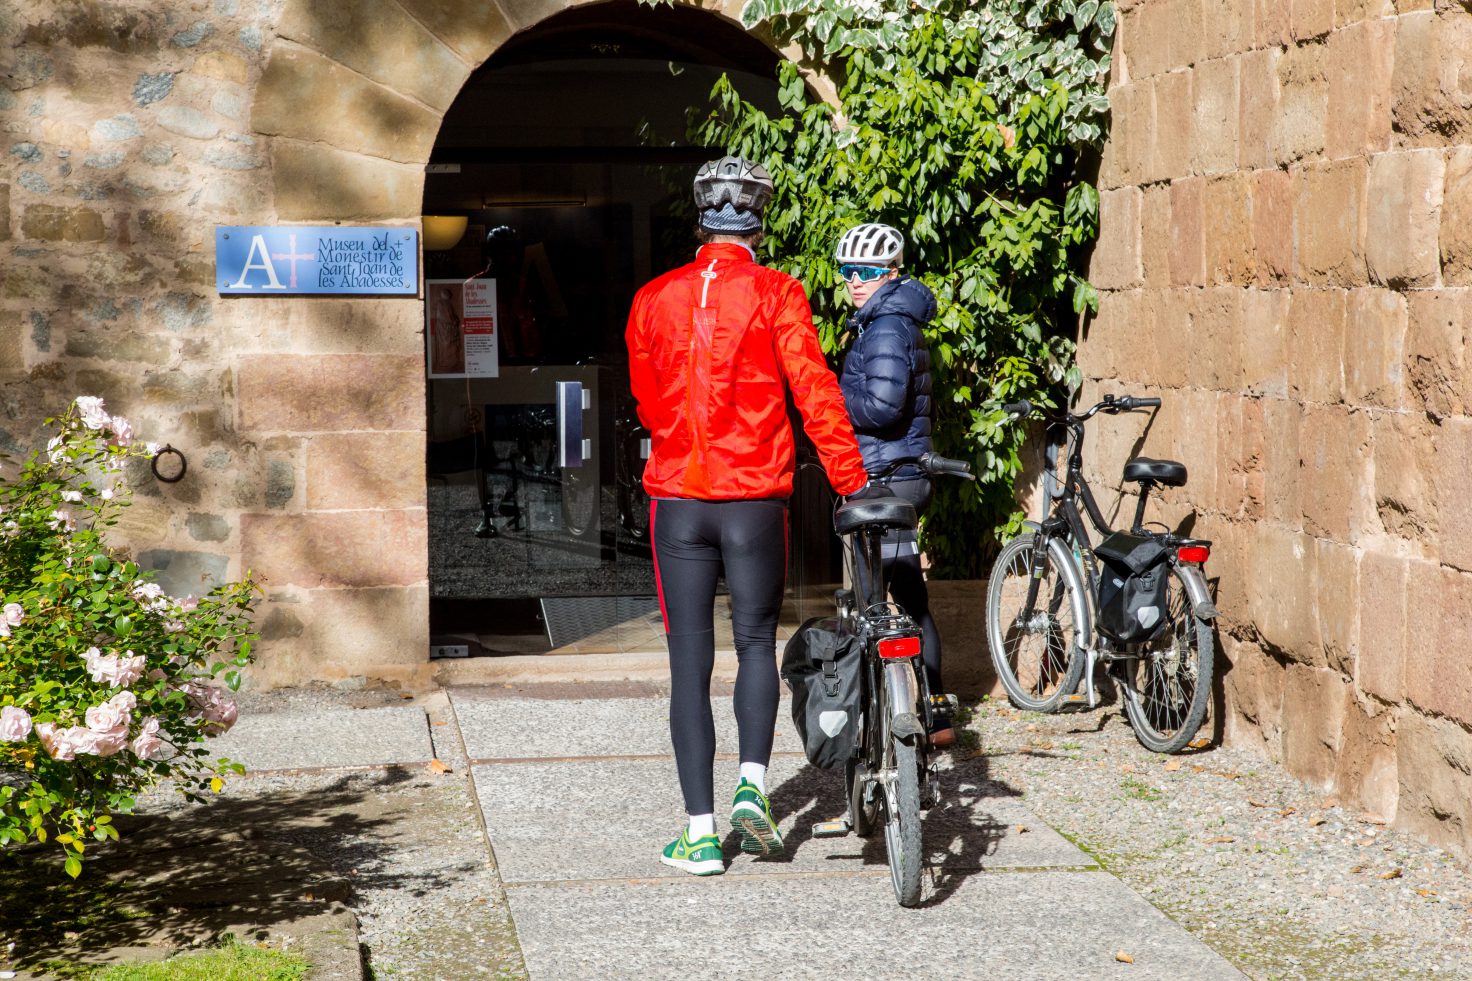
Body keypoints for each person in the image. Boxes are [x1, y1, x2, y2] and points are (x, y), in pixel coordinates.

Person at [626, 156, 870, 876]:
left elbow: (646, 396)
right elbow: (815, 390)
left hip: (678, 499)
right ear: (757, 223)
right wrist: (850, 480)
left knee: (687, 664)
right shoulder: (776, 292)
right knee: (757, 643)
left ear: (701, 218)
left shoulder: (652, 298)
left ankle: (699, 833)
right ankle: (753, 789)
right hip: (755, 498)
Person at [834, 222, 954, 748]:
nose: (856, 281)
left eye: (868, 272)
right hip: (903, 477)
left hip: (884, 481)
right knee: (909, 595)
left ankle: (881, 719)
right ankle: (935, 709)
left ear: (892, 273)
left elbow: (882, 407)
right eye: (848, 271)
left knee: (875, 601)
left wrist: (831, 401)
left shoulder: (884, 326)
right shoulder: (893, 318)